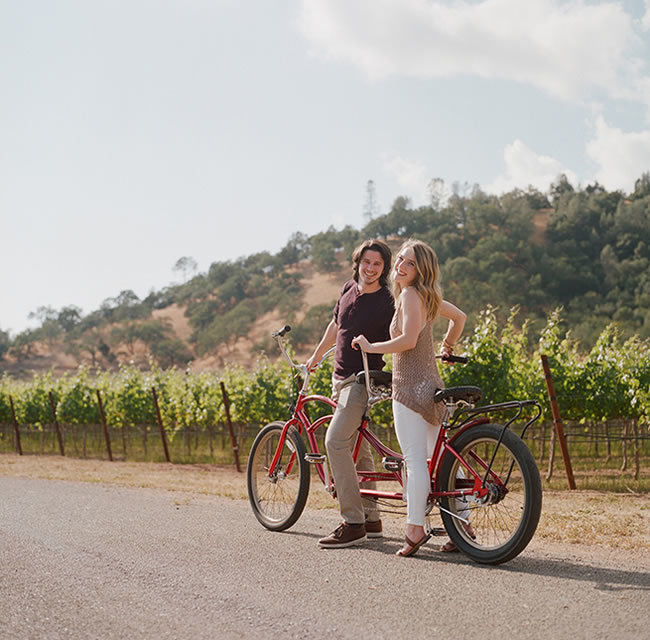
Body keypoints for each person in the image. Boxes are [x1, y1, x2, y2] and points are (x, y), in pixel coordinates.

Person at [351, 239, 467, 557]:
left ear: (421, 270)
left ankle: (415, 529)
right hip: (431, 385)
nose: (401, 265)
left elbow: (407, 340)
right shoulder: (429, 296)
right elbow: (460, 318)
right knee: (442, 460)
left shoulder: (411, 295)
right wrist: (448, 346)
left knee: (415, 460)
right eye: (400, 259)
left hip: (409, 387)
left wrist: (371, 346)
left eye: (410, 263)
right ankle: (463, 527)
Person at [306, 239, 395, 549]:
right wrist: (316, 357)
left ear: (384, 269)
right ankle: (372, 520)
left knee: (335, 441)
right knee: (360, 448)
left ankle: (352, 522)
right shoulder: (347, 289)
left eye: (378, 265)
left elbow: (403, 331)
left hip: (363, 381)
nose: (370, 269)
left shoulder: (387, 299)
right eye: (366, 262)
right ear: (358, 262)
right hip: (339, 378)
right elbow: (335, 326)